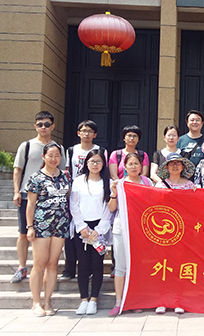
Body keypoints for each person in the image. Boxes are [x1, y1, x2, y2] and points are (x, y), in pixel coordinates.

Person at [11, 111, 65, 284]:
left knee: (48, 235)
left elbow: (63, 172)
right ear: (35, 126)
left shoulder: (58, 148)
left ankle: (45, 265)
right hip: (28, 195)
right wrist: (16, 191)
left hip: (50, 198)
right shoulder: (27, 146)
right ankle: (21, 267)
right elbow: (18, 169)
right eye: (40, 124)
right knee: (24, 232)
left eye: (47, 124)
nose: (43, 127)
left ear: (53, 126)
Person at [25, 142, 70, 316]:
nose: (54, 159)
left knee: (53, 263)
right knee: (39, 263)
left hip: (61, 224)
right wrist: (30, 226)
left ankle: (47, 301)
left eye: (57, 156)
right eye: (50, 155)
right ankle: (36, 302)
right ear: (43, 157)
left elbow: (68, 198)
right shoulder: (36, 177)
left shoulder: (65, 176)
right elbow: (30, 204)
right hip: (41, 225)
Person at [108, 152, 153, 317]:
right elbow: (112, 208)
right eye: (130, 164)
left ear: (141, 166)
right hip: (122, 227)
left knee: (137, 266)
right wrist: (113, 193)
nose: (133, 167)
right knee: (120, 266)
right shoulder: (119, 184)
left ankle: (135, 300)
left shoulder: (148, 182)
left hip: (141, 228)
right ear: (125, 167)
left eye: (136, 163)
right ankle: (119, 302)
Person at [61, 120, 107, 280]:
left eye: (90, 131)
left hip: (94, 191)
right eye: (83, 130)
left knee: (93, 234)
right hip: (76, 191)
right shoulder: (72, 150)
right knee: (72, 233)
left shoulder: (100, 150)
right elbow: (67, 170)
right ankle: (69, 268)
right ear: (78, 133)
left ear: (95, 134)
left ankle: (90, 269)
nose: (86, 134)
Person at [69, 150, 111, 315]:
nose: (95, 164)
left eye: (98, 161)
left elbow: (109, 208)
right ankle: (83, 299)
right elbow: (74, 204)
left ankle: (94, 299)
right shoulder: (79, 181)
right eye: (92, 161)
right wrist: (81, 226)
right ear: (86, 163)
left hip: (99, 227)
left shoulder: (108, 182)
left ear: (103, 164)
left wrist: (99, 230)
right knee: (83, 263)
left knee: (97, 263)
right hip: (82, 227)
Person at [153, 152, 195, 315]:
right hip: (164, 232)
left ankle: (179, 300)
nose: (175, 166)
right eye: (172, 164)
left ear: (183, 166)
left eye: (178, 163)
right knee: (163, 265)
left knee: (180, 266)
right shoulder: (160, 185)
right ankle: (162, 300)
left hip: (184, 231)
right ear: (167, 167)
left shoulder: (190, 185)